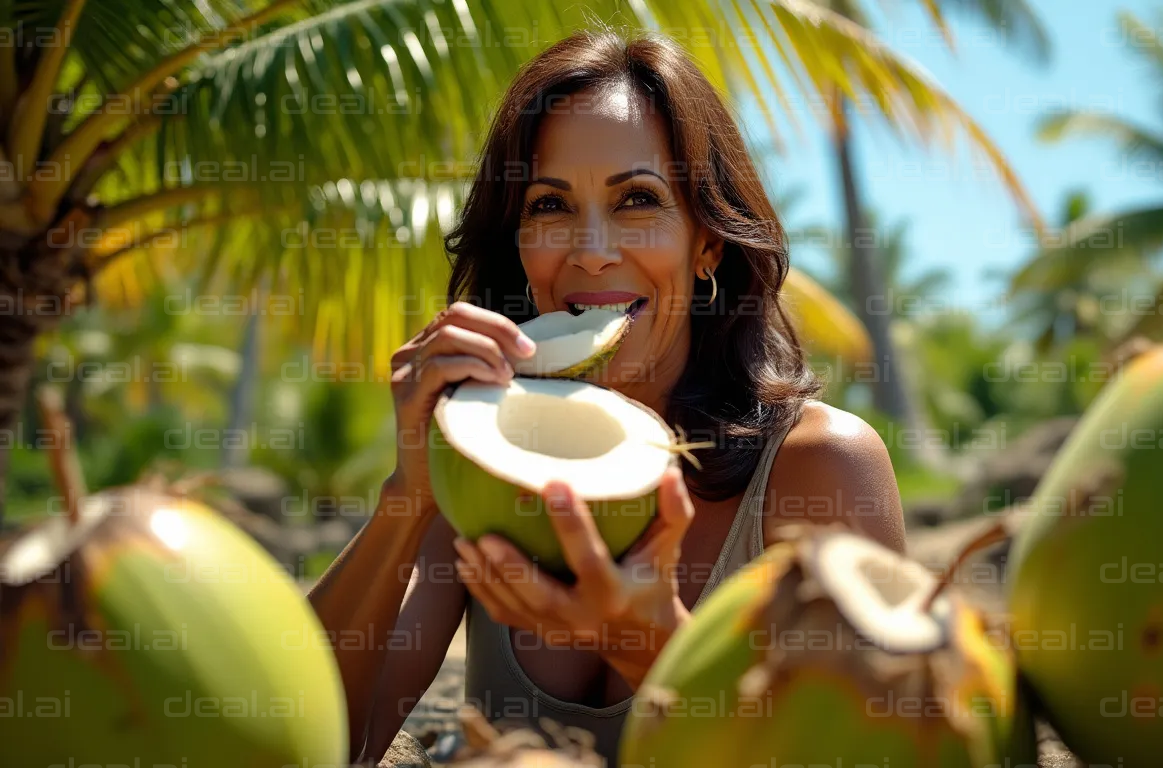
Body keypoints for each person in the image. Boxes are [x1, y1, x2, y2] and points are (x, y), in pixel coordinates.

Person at [307, 28, 906, 765]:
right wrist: (408, 498)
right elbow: (321, 739)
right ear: (519, 247)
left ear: (707, 244)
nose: (590, 249)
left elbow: (873, 752)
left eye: (637, 200)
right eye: (550, 207)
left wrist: (647, 645)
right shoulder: (480, 454)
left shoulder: (820, 468)